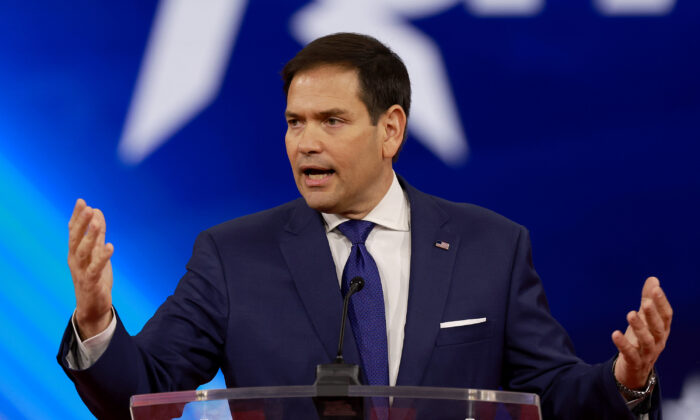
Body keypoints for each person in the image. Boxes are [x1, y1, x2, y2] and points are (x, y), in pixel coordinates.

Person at [58, 33, 672, 419]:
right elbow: (142, 396)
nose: (305, 143)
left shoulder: (492, 246)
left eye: (331, 120)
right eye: (295, 122)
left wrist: (625, 381)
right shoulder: (231, 255)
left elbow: (550, 393)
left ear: (391, 130)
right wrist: (94, 321)